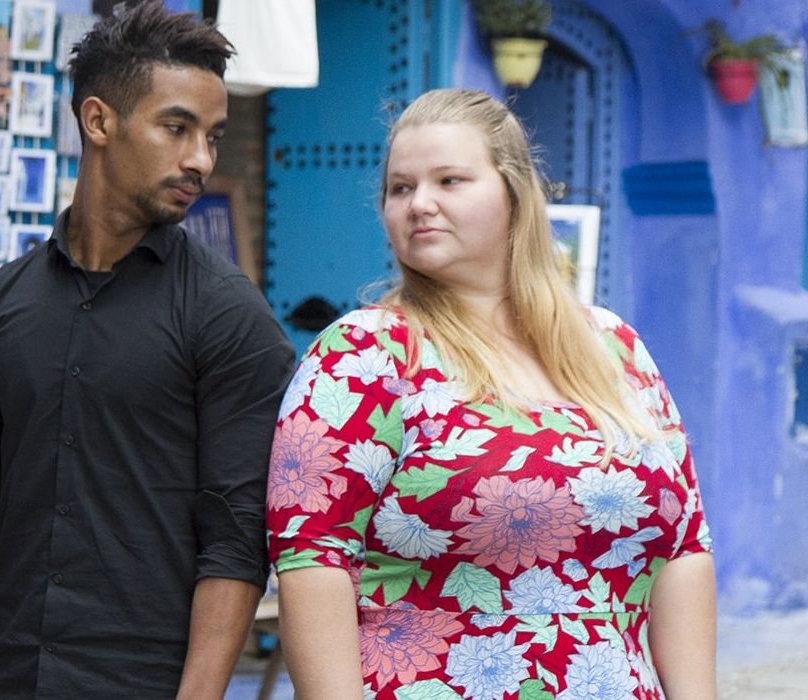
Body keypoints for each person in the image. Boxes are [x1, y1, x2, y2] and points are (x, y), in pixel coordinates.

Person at [267, 88, 716, 699]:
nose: (419, 204)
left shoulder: (615, 348)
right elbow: (313, 560)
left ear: (514, 193)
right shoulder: (366, 355)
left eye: (449, 180)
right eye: (400, 188)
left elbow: (685, 546)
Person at [0, 2, 294, 697]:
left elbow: (236, 543)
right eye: (177, 127)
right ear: (98, 121)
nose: (200, 159)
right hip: (14, 679)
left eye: (212, 135)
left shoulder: (230, 316)